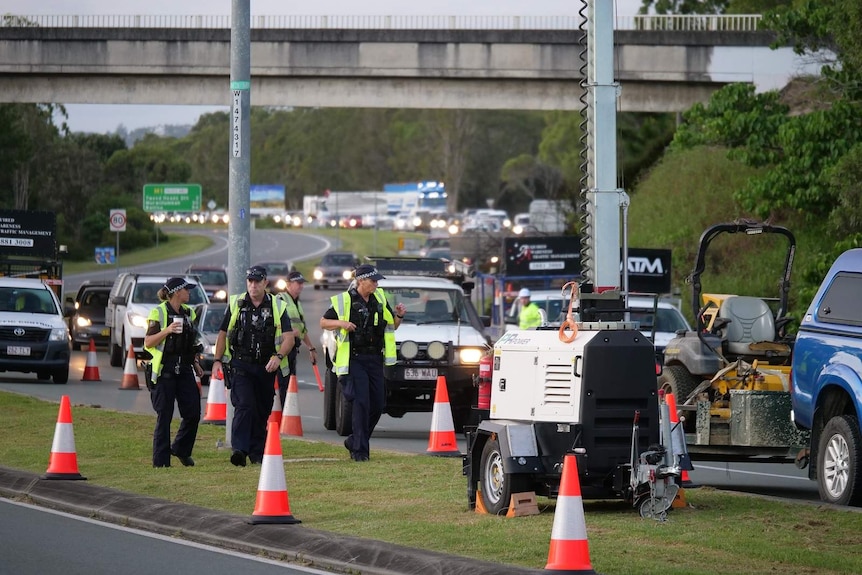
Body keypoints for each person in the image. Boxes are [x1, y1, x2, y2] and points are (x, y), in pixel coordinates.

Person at [320, 264, 406, 462]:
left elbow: (391, 325)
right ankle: (360, 452)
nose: (376, 284)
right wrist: (342, 324)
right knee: (361, 404)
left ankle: (355, 440)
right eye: (373, 280)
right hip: (354, 359)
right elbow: (324, 322)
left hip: (375, 359)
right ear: (361, 281)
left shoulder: (379, 299)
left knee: (377, 404)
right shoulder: (345, 300)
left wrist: (399, 315)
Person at [212, 265, 294, 467]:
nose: (253, 285)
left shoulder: (277, 306)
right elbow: (223, 333)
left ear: (265, 283)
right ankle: (239, 450)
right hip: (241, 364)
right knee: (244, 405)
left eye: (257, 281)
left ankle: (257, 453)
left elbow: (289, 338)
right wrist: (217, 360)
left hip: (266, 367)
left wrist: (278, 356)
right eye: (250, 281)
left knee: (262, 410)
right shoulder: (236, 304)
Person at [143, 277, 204, 468]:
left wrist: (195, 363)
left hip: (184, 369)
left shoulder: (189, 313)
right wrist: (167, 330)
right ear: (177, 292)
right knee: (165, 417)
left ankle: (181, 449)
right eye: (187, 290)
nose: (189, 293)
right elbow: (148, 342)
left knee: (193, 413)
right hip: (164, 371)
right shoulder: (159, 312)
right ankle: (161, 463)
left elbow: (190, 343)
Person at [275, 270, 318, 408]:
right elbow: (274, 325)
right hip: (282, 349)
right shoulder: (280, 300)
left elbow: (301, 329)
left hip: (293, 349)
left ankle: (287, 413)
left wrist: (311, 348)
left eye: (302, 284)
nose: (301, 286)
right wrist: (289, 333)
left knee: (289, 382)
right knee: (283, 382)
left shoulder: (296, 303)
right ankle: (281, 413)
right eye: (298, 283)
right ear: (288, 284)